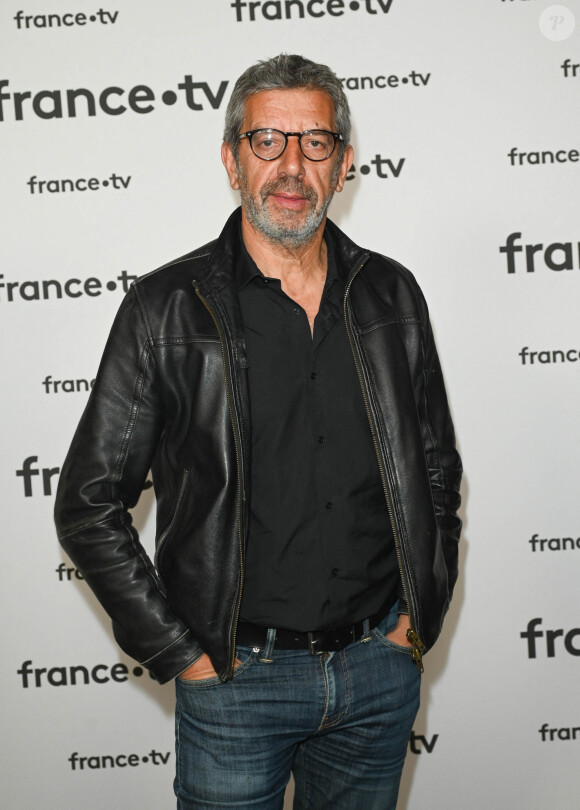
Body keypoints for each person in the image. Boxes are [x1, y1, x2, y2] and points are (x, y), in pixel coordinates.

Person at [55, 53, 462, 810]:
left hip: (378, 670)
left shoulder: (391, 294)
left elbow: (436, 470)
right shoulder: (164, 310)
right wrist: (185, 656)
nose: (291, 166)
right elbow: (88, 502)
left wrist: (416, 621)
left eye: (314, 143)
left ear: (343, 163)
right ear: (231, 160)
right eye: (267, 141)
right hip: (236, 680)